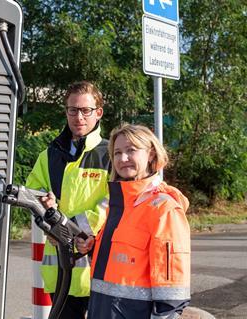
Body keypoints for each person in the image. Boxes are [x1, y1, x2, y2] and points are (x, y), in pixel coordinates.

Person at [86, 124, 191, 318]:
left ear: (151, 154)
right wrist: (92, 248)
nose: (123, 158)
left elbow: (171, 295)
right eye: (117, 153)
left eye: (131, 150)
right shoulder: (118, 206)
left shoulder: (164, 209)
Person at [26, 81, 110, 318]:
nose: (79, 117)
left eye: (86, 110)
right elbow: (33, 195)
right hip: (61, 273)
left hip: (99, 272)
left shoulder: (110, 154)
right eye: (73, 110)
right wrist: (46, 214)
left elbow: (111, 203)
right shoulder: (49, 154)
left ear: (98, 113)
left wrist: (73, 230)